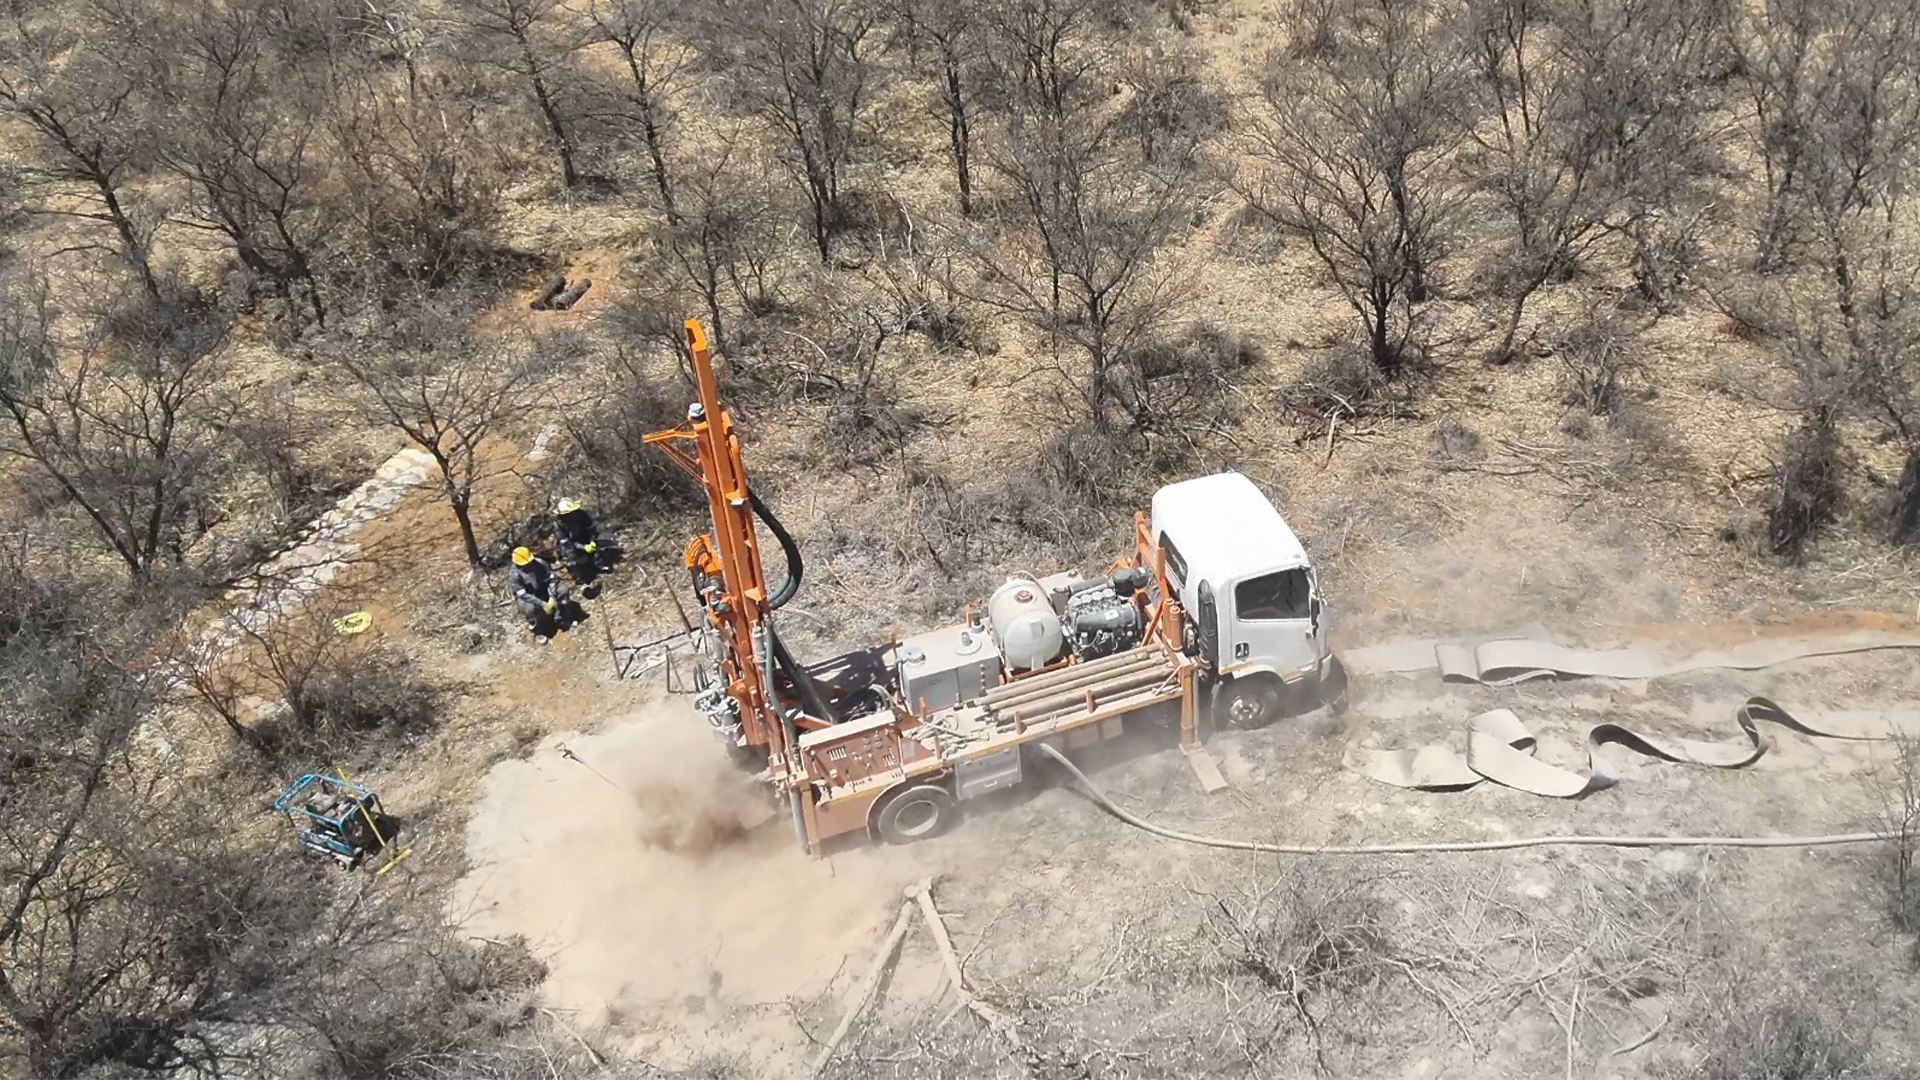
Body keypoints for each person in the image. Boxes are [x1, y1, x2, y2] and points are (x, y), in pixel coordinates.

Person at [554, 497, 618, 589]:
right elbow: (567, 543)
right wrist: (583, 547)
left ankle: (599, 565)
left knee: (604, 542)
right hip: (571, 546)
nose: (570, 516)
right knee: (569, 554)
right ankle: (580, 580)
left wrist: (592, 541)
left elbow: (592, 528)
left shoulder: (582, 515)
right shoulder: (558, 525)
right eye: (567, 514)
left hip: (585, 539)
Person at [510, 546, 567, 637]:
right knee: (530, 608)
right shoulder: (515, 575)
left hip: (544, 588)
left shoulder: (540, 563)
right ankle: (538, 627)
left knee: (562, 590)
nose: (529, 564)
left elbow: (551, 580)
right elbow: (522, 594)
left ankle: (560, 614)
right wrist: (542, 603)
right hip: (529, 595)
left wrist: (551, 596)